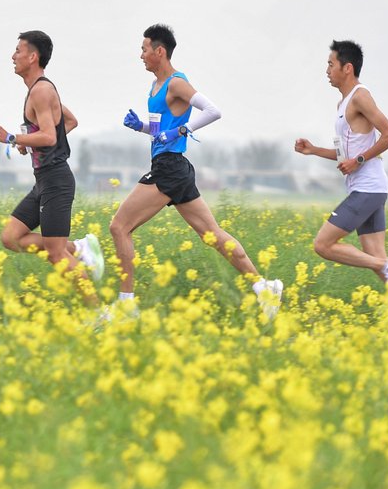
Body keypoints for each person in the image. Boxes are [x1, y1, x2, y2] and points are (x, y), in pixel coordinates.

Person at [110, 24, 283, 315]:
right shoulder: (155, 88)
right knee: (211, 234)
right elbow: (158, 131)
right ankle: (264, 287)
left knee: (119, 227)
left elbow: (213, 111)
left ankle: (126, 307)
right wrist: (139, 125)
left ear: (159, 51)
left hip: (169, 168)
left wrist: (181, 130)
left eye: (144, 49)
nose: (140, 55)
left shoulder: (177, 83)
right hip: (172, 167)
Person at [294, 40, 388, 330]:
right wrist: (314, 150)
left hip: (369, 188)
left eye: (330, 64)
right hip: (365, 188)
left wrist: (359, 160)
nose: (326, 70)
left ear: (346, 68)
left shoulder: (361, 96)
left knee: (323, 244)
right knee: (379, 261)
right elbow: (344, 156)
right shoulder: (343, 103)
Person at [0, 30, 105, 287]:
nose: (13, 56)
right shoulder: (38, 90)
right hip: (43, 180)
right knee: (10, 237)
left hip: (56, 180)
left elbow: (50, 136)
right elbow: (68, 123)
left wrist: (12, 139)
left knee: (55, 253)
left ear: (32, 57)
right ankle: (79, 248)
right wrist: (32, 145)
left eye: (18, 51)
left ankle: (99, 312)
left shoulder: (41, 91)